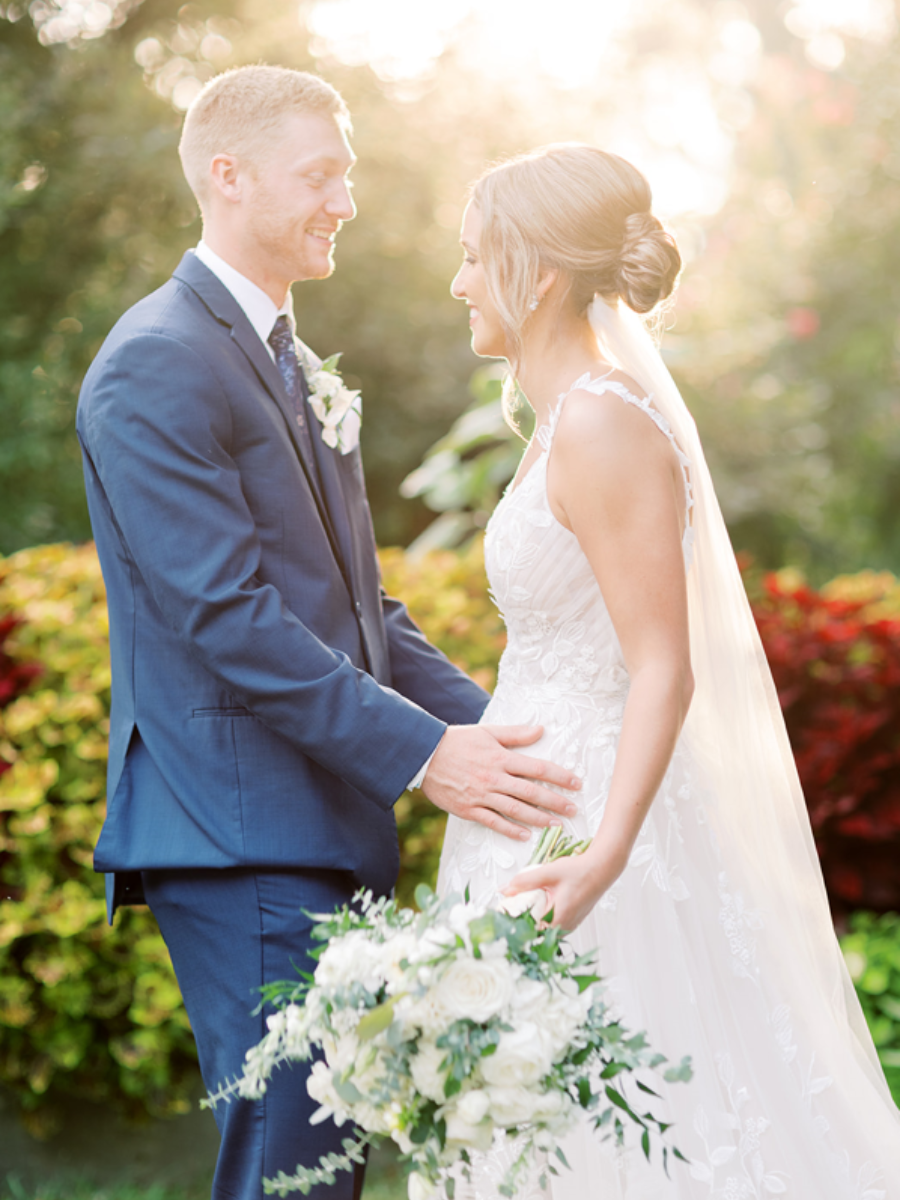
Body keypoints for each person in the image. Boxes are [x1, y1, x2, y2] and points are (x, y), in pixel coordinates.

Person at [75, 67, 583, 1200]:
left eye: (344, 174)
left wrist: (521, 740)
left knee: (326, 1167)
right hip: (241, 829)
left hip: (309, 823)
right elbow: (229, 620)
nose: (344, 200)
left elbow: (361, 614)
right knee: (295, 1173)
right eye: (321, 174)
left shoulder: (290, 360)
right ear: (229, 175)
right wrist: (426, 756)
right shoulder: (158, 359)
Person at [437, 144, 900, 1198]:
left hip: (600, 821)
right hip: (533, 795)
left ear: (538, 274)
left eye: (473, 258)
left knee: (632, 1116)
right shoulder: (559, 421)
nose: (459, 283)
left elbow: (661, 666)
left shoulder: (602, 422)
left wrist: (605, 856)